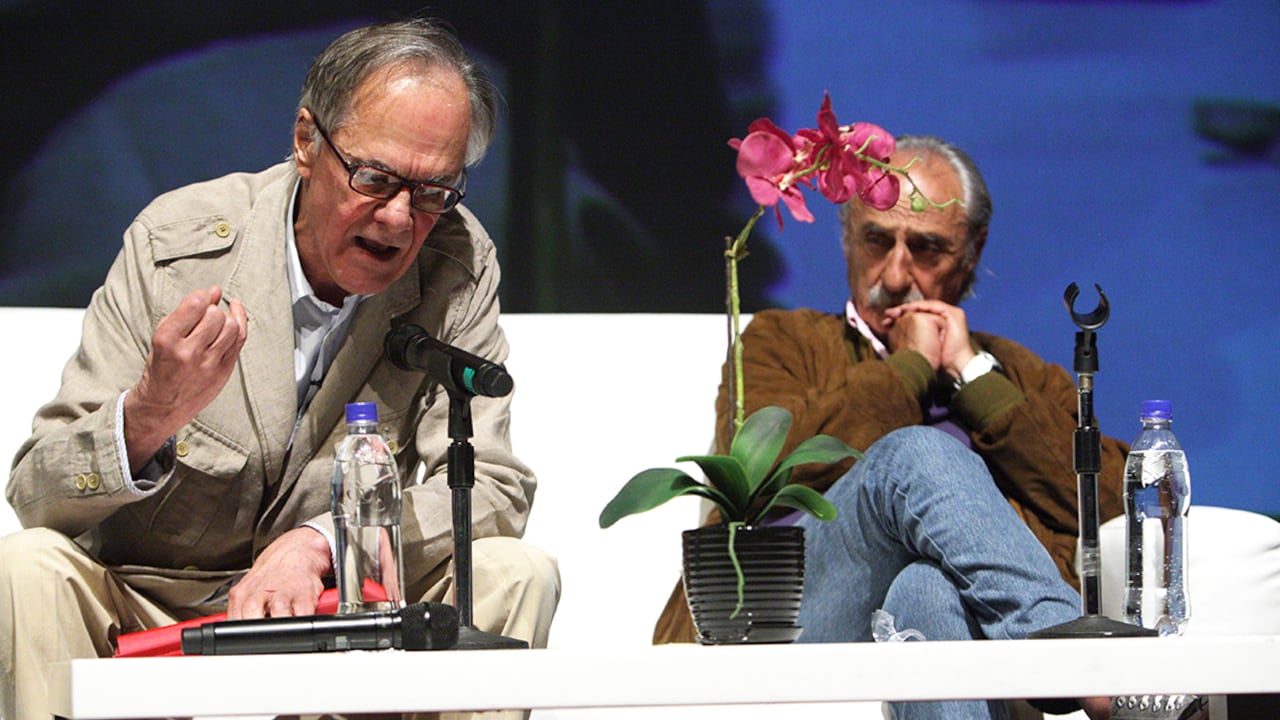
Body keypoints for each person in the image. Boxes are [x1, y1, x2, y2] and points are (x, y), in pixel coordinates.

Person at [1, 18, 559, 720]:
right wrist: (148, 415)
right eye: (374, 177)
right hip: (159, 611)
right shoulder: (175, 244)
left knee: (518, 572)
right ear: (305, 142)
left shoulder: (457, 263)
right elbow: (37, 493)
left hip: (343, 614)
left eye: (432, 192)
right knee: (25, 566)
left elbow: (495, 489)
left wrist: (320, 542)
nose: (396, 219)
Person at [653, 135, 1126, 719]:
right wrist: (910, 369)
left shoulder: (1015, 372)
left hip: (953, 623)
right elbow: (758, 467)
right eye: (878, 240)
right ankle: (1090, 671)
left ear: (971, 252)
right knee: (915, 457)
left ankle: (1069, 662)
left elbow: (1110, 497)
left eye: (928, 249)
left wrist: (975, 378)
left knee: (926, 590)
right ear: (848, 236)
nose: (897, 274)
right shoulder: (782, 340)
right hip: (790, 613)